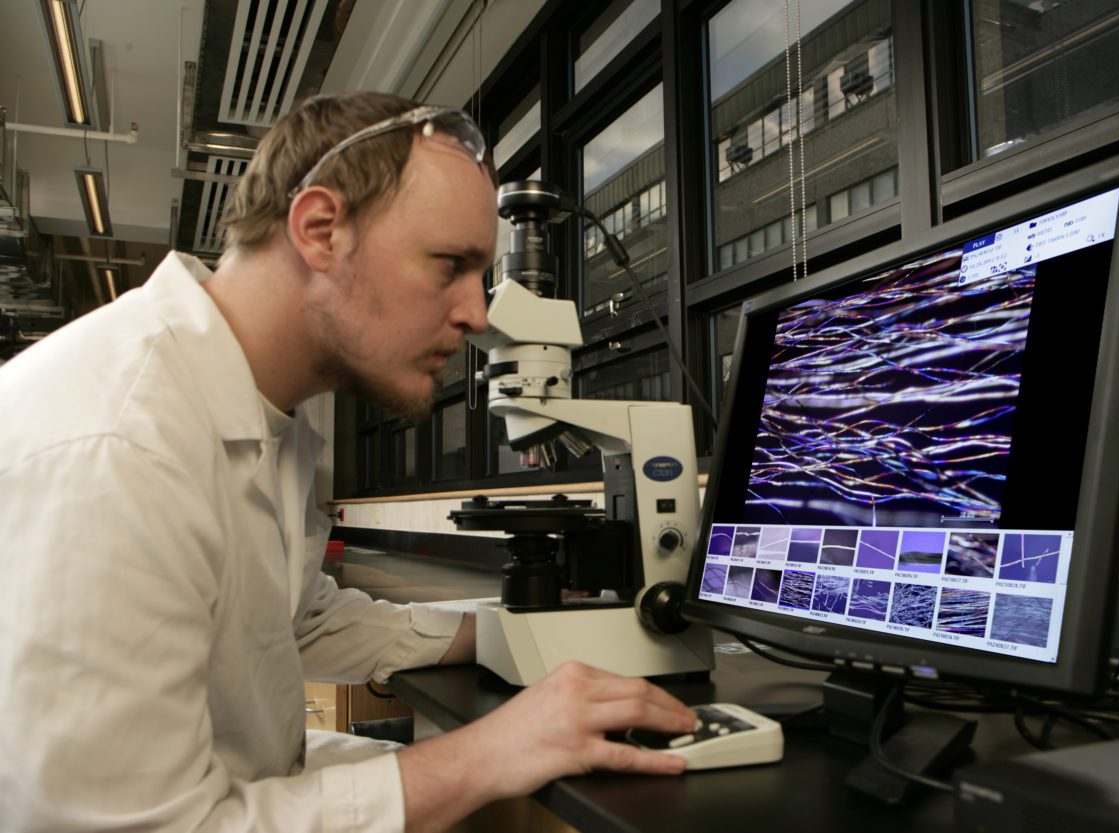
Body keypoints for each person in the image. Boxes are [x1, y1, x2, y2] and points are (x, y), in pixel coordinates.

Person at [0, 92, 696, 832]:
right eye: (450, 264)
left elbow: (293, 622)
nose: (477, 314)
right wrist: (485, 753)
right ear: (320, 230)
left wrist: (509, 636)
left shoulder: (264, 413)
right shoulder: (119, 448)